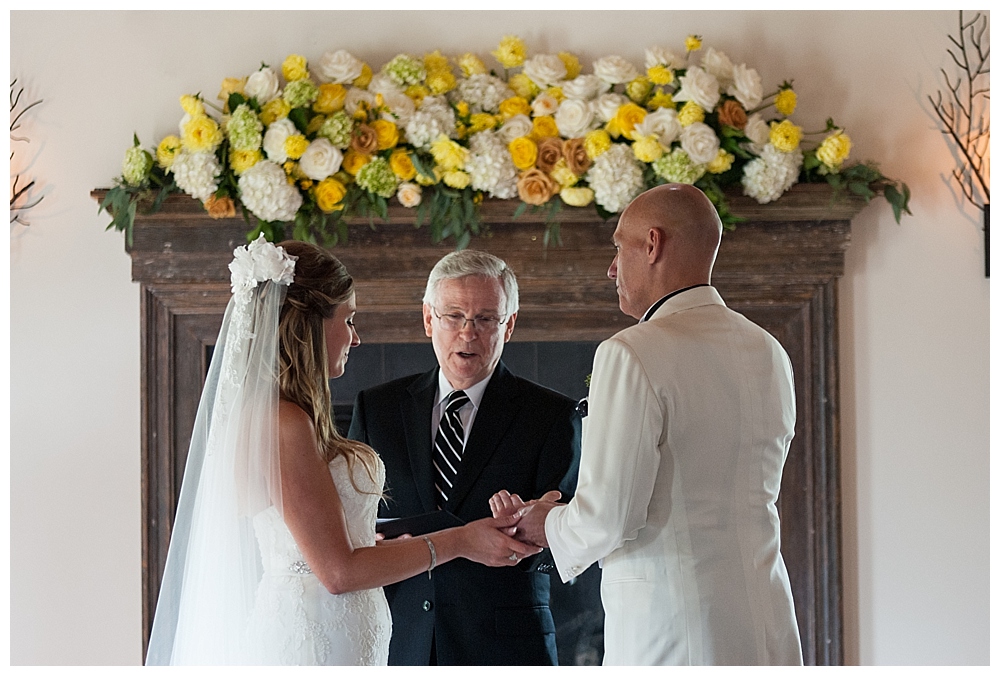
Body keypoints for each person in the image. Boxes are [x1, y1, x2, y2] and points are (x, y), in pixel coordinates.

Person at [145, 236, 540, 666]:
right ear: (312, 323)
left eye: (485, 318)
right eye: (348, 320)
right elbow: (337, 573)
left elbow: (319, 548)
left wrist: (380, 547)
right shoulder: (283, 423)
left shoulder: (282, 417)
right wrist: (460, 540)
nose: (355, 339)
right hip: (313, 645)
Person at [505, 183, 804, 665]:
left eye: (618, 246)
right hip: (766, 621)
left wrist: (547, 523)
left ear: (652, 243)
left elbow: (610, 515)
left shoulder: (631, 352)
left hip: (672, 631)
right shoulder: (768, 349)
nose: (611, 267)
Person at [348, 249, 581, 665]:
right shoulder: (376, 409)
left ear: (508, 325)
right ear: (427, 320)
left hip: (507, 648)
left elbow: (568, 534)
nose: (467, 334)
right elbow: (352, 524)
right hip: (399, 640)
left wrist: (532, 525)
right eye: (453, 316)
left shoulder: (551, 414)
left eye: (485, 319)